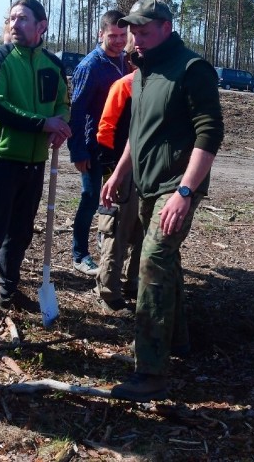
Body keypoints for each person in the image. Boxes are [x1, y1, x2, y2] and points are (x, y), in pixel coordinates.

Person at [101, 0, 224, 402]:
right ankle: (179, 340)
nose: (136, 37)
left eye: (143, 30)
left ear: (166, 27)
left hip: (179, 184)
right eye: (132, 30)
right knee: (164, 258)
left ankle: (150, 371)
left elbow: (210, 134)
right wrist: (121, 171)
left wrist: (186, 192)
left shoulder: (192, 69)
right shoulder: (141, 72)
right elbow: (139, 131)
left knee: (151, 259)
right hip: (149, 183)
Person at [0, 0, 71, 331]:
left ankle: (8, 292)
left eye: (23, 18)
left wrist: (60, 125)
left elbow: (62, 104)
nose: (15, 24)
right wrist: (44, 124)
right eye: (11, 18)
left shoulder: (54, 66)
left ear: (41, 26)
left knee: (22, 232)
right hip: (1, 158)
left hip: (35, 162)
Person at [68, 10, 128, 275]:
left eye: (123, 35)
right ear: (100, 34)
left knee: (113, 197)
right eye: (113, 35)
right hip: (92, 146)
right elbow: (76, 112)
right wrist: (77, 150)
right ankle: (79, 254)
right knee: (91, 198)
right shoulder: (90, 66)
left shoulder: (127, 62)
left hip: (117, 144)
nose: (118, 40)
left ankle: (107, 241)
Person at [93, 36, 142, 314]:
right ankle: (108, 288)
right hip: (122, 171)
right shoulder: (123, 86)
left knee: (144, 230)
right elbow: (105, 129)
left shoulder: (161, 88)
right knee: (116, 228)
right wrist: (112, 169)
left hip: (150, 172)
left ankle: (134, 281)